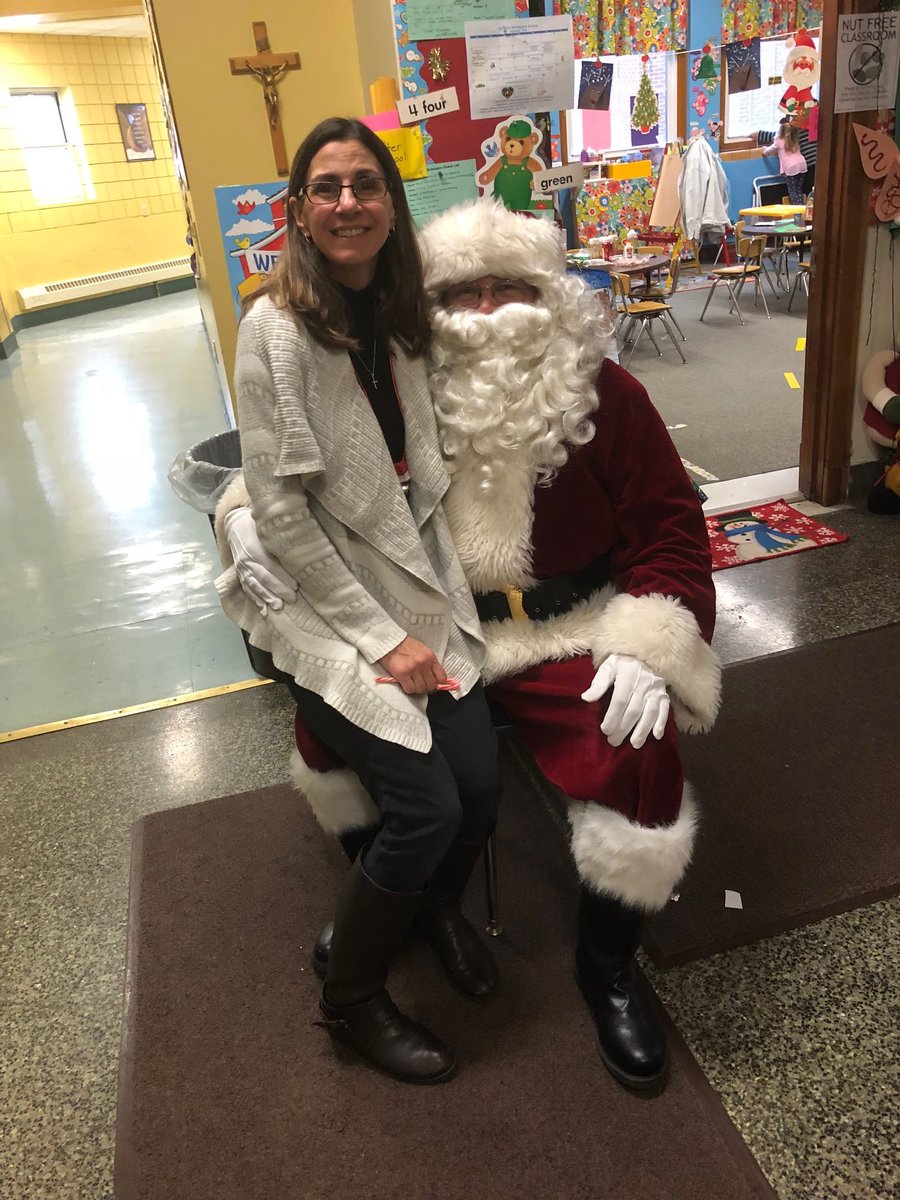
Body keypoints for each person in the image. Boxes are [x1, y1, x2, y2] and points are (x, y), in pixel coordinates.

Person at [220, 200, 722, 1091]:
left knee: (635, 748)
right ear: (430, 306)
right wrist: (240, 520)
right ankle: (402, 898)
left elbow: (674, 531)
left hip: (571, 628)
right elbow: (283, 460)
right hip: (430, 624)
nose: (489, 311)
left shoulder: (610, 394)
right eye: (464, 293)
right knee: (334, 733)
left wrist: (654, 639)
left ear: (553, 296)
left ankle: (607, 969)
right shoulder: (391, 387)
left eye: (513, 289)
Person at [214, 119, 502, 1087]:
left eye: (366, 186)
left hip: (414, 584)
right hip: (321, 609)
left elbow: (420, 475)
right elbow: (284, 515)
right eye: (328, 188)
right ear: (299, 211)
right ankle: (349, 996)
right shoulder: (274, 330)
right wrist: (384, 643)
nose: (348, 204)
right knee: (424, 807)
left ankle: (425, 908)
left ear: (391, 205)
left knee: (485, 786)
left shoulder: (401, 314)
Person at [756, 117, 816, 199]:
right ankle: (801, 207)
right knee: (803, 191)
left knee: (796, 191)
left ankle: (799, 208)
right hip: (806, 164)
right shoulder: (810, 120)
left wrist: (760, 135)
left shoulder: (796, 125)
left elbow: (782, 136)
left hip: (805, 165)